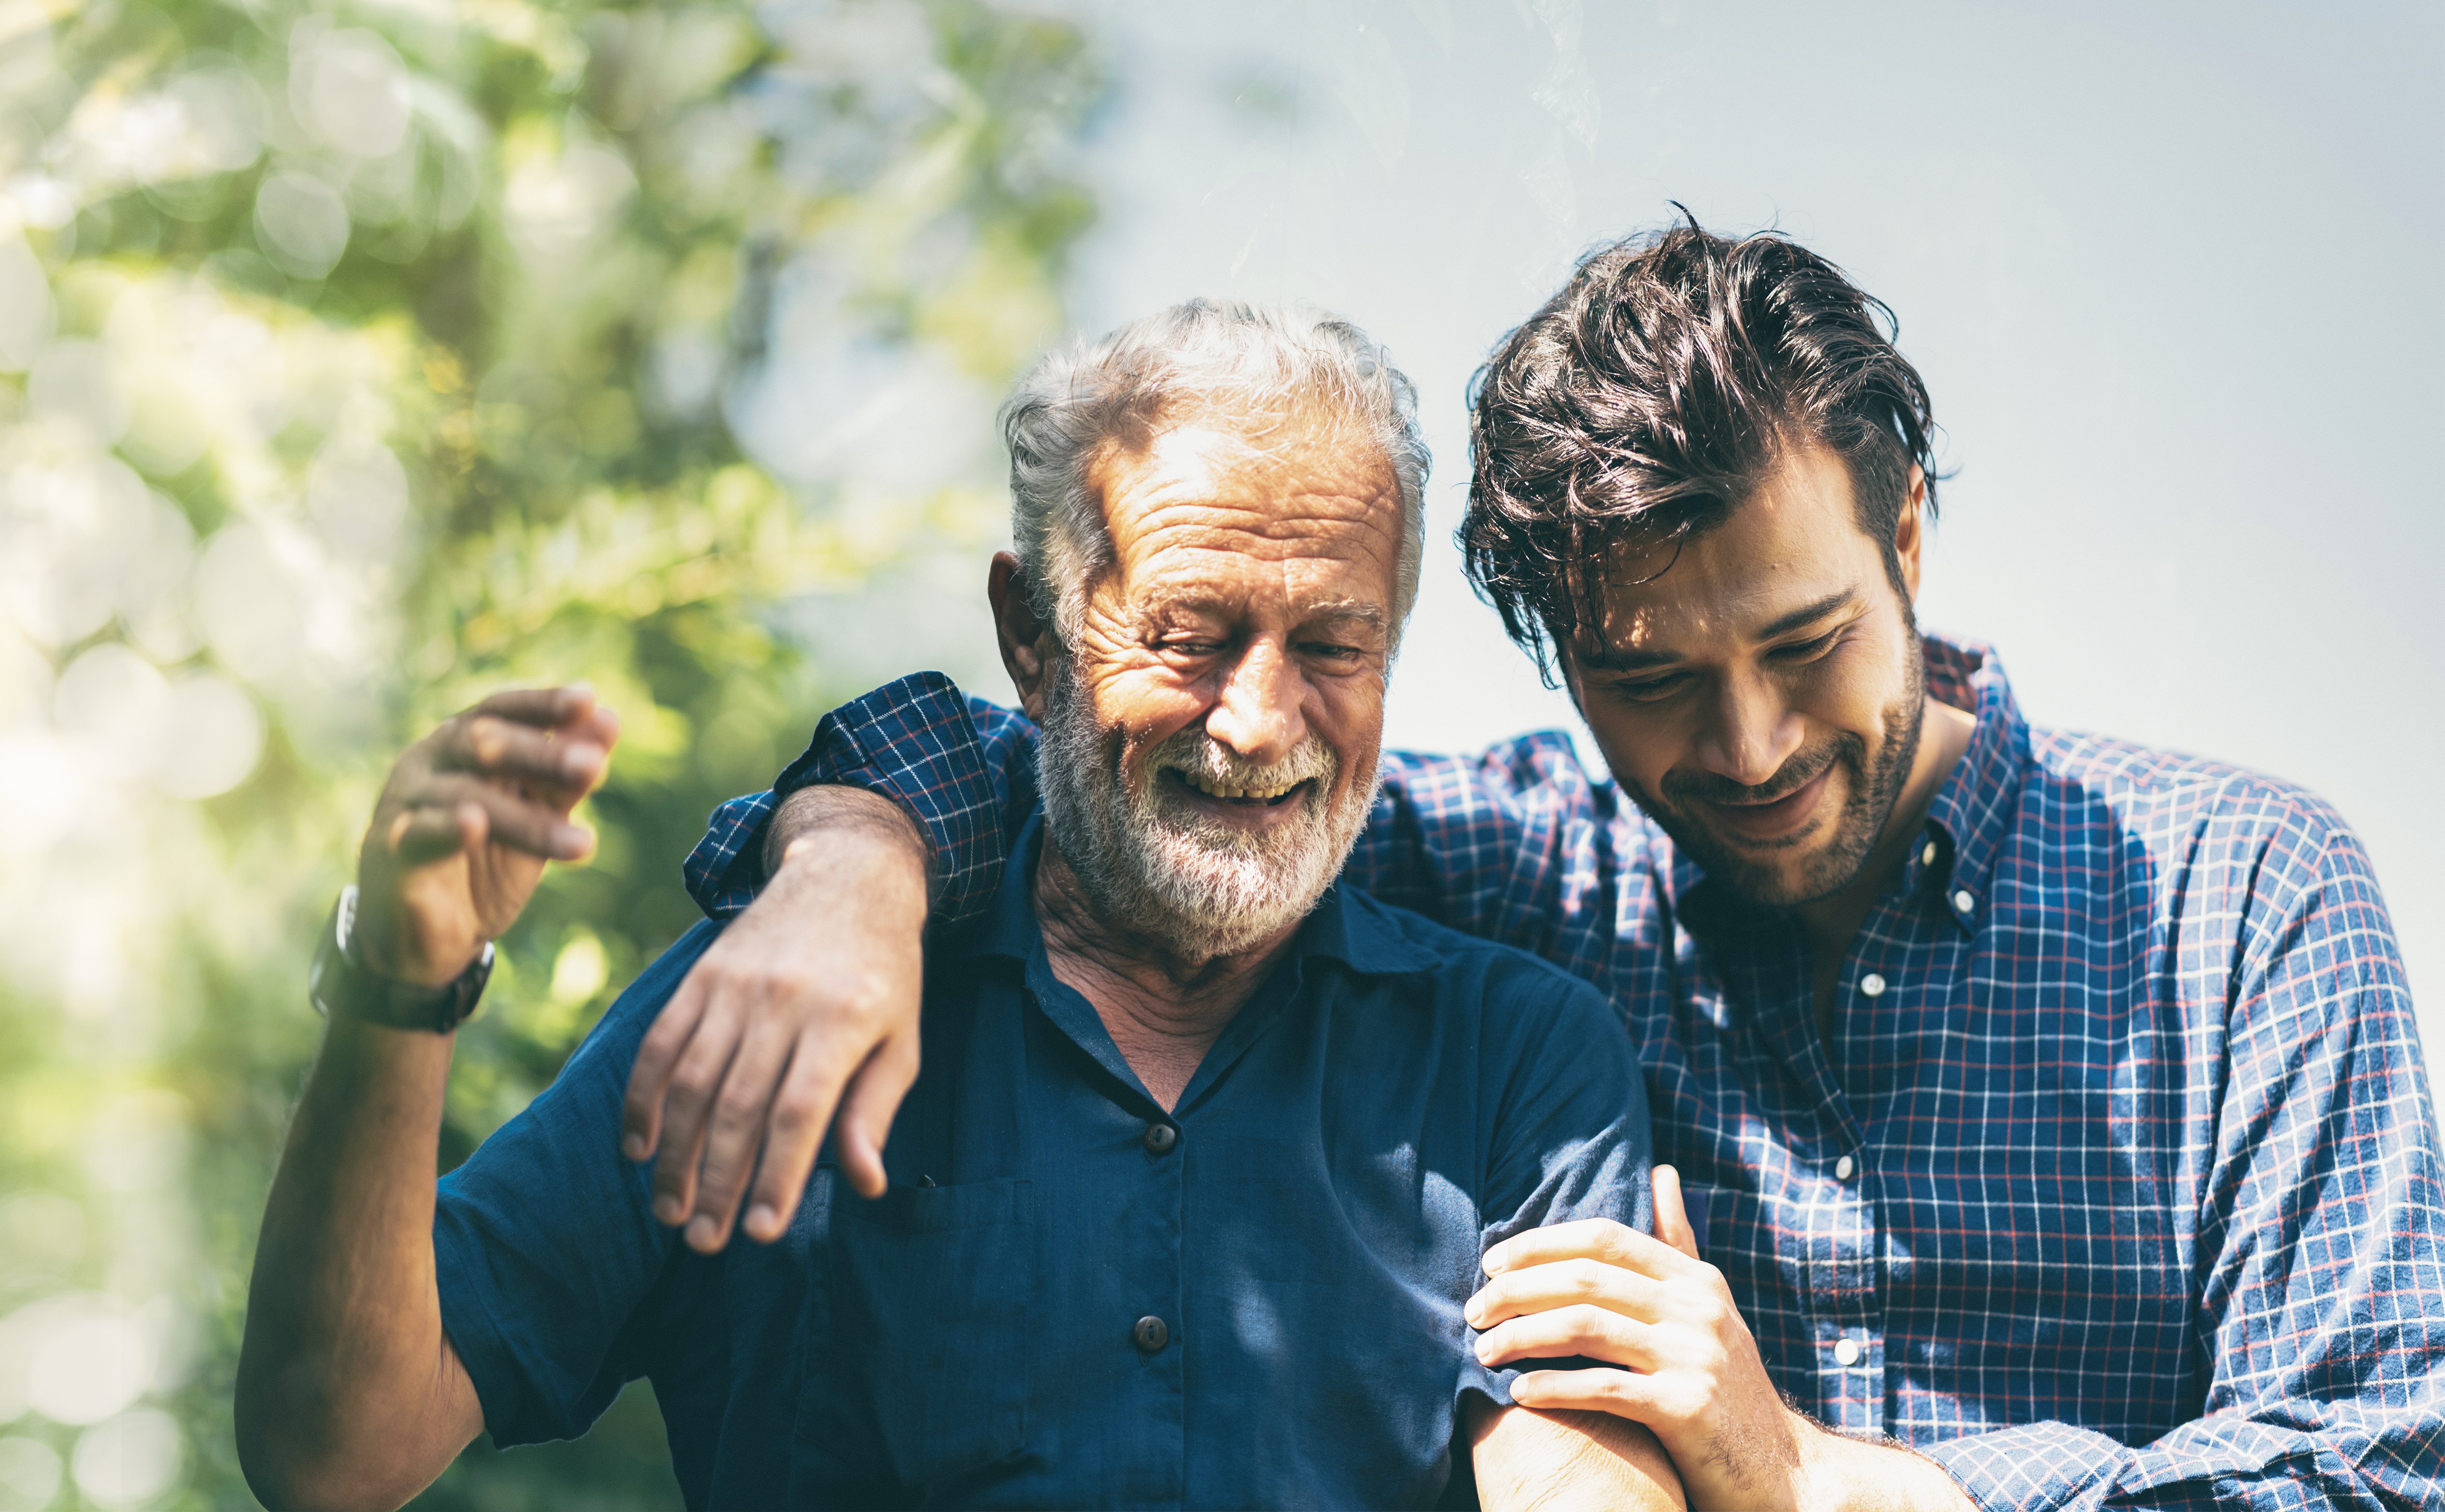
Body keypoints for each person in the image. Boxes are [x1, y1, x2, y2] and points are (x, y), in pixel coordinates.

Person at [645, 221, 2445, 1512]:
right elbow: (1110, 767)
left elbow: (2376, 1467)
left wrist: (1818, 1483)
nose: (1744, 748)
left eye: (1806, 643)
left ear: (1909, 535)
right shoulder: (1507, 873)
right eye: (1651, 681)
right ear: (1550, 651)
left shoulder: (2248, 900)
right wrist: (849, 863)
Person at [234, 301, 1692, 1511]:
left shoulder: (1520, 1059)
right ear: (1030, 636)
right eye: (1189, 637)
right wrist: (402, 982)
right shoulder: (778, 996)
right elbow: (333, 1448)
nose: (1258, 721)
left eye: (1334, 644)